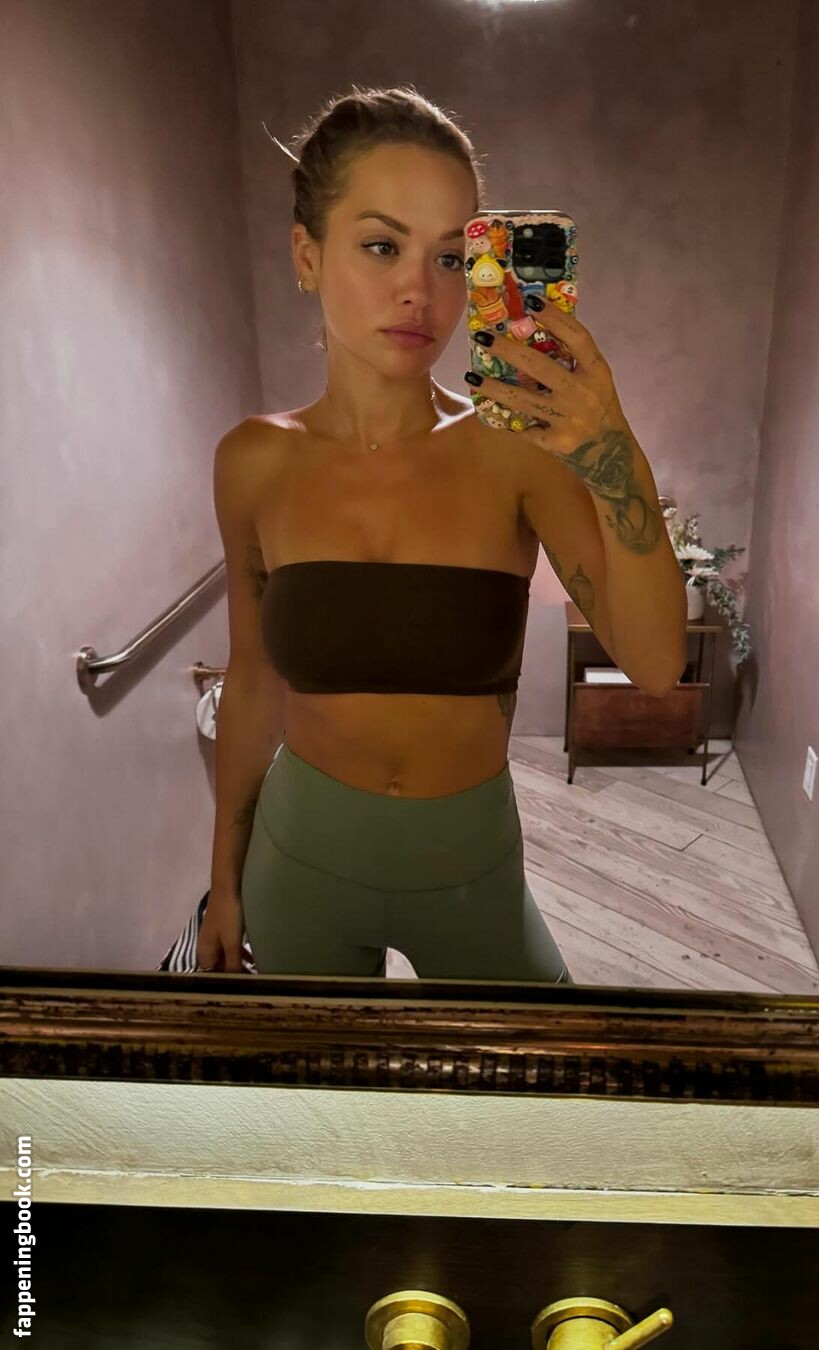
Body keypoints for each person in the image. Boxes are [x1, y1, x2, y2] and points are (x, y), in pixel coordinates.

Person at [196, 84, 580, 983]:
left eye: (450, 258)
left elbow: (653, 656)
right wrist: (223, 881)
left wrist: (604, 441)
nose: (419, 291)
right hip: (301, 858)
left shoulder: (515, 447)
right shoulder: (252, 460)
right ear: (307, 255)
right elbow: (251, 679)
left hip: (471, 866)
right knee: (328, 1077)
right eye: (381, 246)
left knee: (543, 1059)